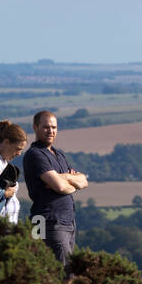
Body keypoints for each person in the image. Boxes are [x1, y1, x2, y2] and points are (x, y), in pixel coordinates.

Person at [23, 110, 88, 269]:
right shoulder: (35, 155)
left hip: (66, 221)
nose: (51, 131)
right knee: (62, 274)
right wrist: (69, 182)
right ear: (35, 127)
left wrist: (63, 177)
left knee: (63, 271)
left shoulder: (59, 154)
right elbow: (59, 186)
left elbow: (84, 181)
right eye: (46, 127)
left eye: (54, 127)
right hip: (49, 221)